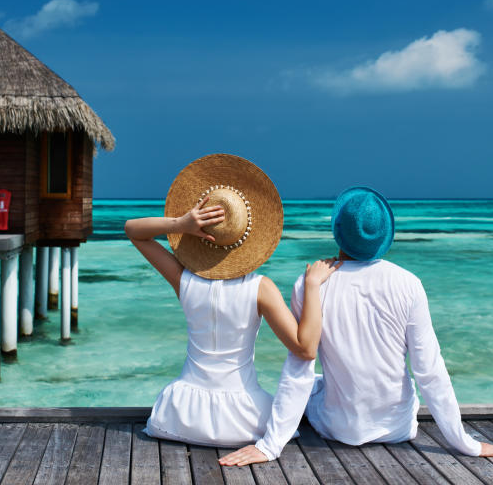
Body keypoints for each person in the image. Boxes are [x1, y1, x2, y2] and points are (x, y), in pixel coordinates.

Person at [220, 186, 493, 465]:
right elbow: (430, 371)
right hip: (399, 428)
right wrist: (467, 444)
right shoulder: (409, 284)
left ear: (337, 232)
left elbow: (298, 370)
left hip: (338, 429)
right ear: (383, 235)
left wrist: (269, 445)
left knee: (314, 382)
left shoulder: (309, 284)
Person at [124, 153, 339, 449]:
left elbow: (134, 232)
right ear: (250, 236)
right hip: (243, 420)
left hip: (178, 416)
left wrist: (180, 223)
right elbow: (305, 348)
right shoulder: (260, 288)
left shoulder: (184, 280)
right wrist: (313, 286)